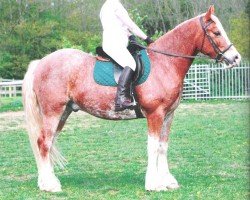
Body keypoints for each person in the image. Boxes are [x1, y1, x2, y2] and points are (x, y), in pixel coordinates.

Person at [100, 0, 153, 111]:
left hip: (114, 42)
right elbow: (131, 25)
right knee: (130, 63)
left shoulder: (106, 6)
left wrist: (131, 37)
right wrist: (147, 39)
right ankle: (121, 99)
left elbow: (122, 27)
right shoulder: (115, 5)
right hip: (114, 43)